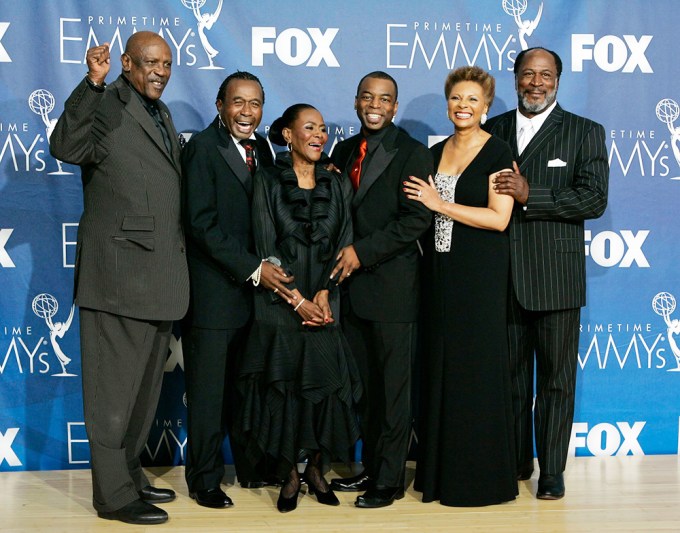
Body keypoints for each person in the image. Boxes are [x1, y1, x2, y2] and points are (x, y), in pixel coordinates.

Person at [49, 33, 190, 525]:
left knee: (143, 391)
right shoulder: (106, 102)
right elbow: (64, 145)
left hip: (159, 275)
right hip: (118, 275)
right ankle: (111, 496)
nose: (160, 71)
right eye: (150, 63)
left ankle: (128, 475)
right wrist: (91, 83)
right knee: (112, 393)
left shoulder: (160, 111)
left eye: (167, 63)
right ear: (126, 63)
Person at [485, 46, 609, 499]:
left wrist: (529, 194)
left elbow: (593, 200)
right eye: (527, 74)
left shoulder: (584, 132)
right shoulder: (492, 130)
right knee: (510, 379)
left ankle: (551, 471)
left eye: (546, 74)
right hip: (500, 279)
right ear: (515, 77)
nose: (536, 83)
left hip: (556, 280)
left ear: (558, 78)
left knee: (556, 381)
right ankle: (516, 462)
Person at [232, 104, 361, 513]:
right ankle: (288, 474)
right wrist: (298, 301)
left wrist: (324, 291)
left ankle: (317, 470)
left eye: (323, 129)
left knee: (324, 389)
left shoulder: (336, 182)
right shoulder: (266, 180)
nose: (319, 135)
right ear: (287, 135)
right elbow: (265, 245)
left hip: (326, 302)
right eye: (309, 128)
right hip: (279, 305)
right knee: (285, 390)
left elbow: (345, 238)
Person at [181, 72, 296, 509]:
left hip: (255, 299)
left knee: (248, 389)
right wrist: (253, 268)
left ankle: (251, 468)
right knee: (209, 395)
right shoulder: (202, 150)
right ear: (219, 105)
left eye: (255, 104)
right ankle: (205, 479)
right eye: (238, 103)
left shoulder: (263, 148)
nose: (247, 112)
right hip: (215, 294)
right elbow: (201, 225)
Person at [404, 66, 517, 507]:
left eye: (472, 100)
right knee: (441, 369)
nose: (463, 106)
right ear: (447, 103)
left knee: (474, 372)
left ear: (486, 107)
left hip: (479, 276)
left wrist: (440, 204)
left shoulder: (498, 151)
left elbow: (499, 218)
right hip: (438, 275)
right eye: (456, 99)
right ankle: (437, 474)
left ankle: (479, 481)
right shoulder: (435, 151)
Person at [329, 72, 433, 508]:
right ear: (356, 102)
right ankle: (371, 468)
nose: (375, 104)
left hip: (392, 291)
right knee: (366, 391)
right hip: (350, 293)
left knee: (393, 391)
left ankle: (389, 481)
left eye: (384, 99)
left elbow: (415, 220)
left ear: (394, 107)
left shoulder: (411, 152)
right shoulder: (343, 150)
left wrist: (361, 252)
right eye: (367, 97)